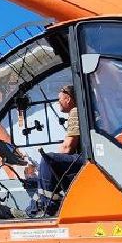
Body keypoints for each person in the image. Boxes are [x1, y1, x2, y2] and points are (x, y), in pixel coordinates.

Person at [29, 87, 84, 217]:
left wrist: (49, 162)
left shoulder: (76, 111)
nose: (58, 102)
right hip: (84, 159)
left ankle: (47, 207)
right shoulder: (78, 112)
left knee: (48, 160)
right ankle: (33, 209)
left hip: (85, 160)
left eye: (59, 99)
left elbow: (68, 147)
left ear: (68, 99)